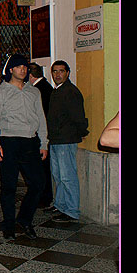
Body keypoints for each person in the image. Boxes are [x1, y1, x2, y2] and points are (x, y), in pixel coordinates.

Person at [0, 53, 48, 240]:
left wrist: (44, 142)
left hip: (30, 142)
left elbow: (41, 118)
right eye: (19, 67)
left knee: (39, 183)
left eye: (25, 67)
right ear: (11, 70)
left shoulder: (33, 92)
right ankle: (8, 225)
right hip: (9, 141)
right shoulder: (1, 92)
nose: (23, 69)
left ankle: (24, 219)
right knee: (9, 186)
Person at [47, 60, 89, 223]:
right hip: (56, 140)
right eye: (55, 71)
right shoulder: (57, 91)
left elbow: (78, 116)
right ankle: (60, 205)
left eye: (61, 71)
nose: (57, 74)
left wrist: (81, 131)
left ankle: (71, 211)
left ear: (68, 73)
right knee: (58, 176)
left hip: (66, 140)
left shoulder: (71, 92)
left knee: (67, 176)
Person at [28, 62, 54, 209]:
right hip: (44, 134)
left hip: (41, 135)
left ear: (31, 75)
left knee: (42, 169)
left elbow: (40, 115)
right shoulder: (46, 86)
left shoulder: (38, 90)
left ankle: (44, 198)